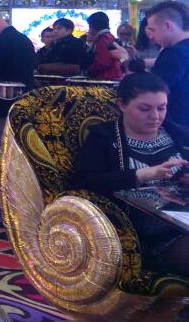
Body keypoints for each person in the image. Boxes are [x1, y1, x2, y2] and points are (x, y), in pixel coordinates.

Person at [71, 72, 189, 277]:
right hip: (148, 235)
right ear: (122, 105)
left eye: (162, 108)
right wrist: (140, 175)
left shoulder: (178, 133)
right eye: (145, 109)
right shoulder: (104, 138)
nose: (155, 116)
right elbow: (84, 182)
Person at [145, 1, 189, 129]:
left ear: (167, 26)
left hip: (178, 126)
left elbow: (152, 89)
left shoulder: (174, 53)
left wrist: (125, 61)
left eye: (153, 30)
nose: (151, 36)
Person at [85, 12, 123, 81]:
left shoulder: (103, 39)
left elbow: (104, 62)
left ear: (92, 25)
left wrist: (89, 71)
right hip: (113, 75)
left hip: (105, 77)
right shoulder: (110, 37)